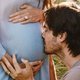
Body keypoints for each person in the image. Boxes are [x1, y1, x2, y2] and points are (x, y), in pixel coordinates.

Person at [4, 2, 80, 80]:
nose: (42, 34)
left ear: (61, 36)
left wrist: (28, 79)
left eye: (46, 29)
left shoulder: (75, 75)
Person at [0, 0, 56, 80]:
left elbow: (50, 12)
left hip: (40, 68)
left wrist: (43, 14)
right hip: (6, 68)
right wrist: (9, 62)